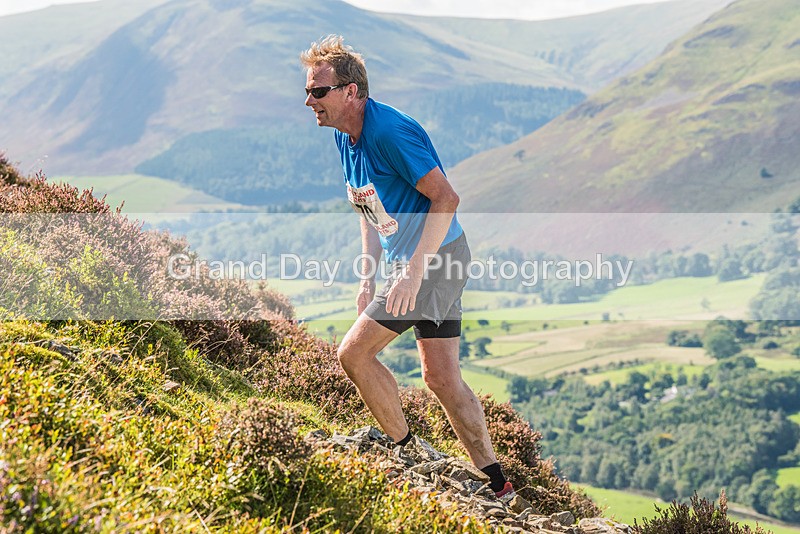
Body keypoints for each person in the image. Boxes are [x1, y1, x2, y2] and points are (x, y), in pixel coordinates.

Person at [300, 35, 513, 498]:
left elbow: (447, 198)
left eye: (318, 91)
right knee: (441, 378)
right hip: (426, 259)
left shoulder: (388, 133)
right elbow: (368, 205)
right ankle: (498, 484)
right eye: (307, 91)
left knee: (353, 354)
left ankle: (406, 453)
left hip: (435, 261)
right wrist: (367, 275)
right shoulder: (344, 135)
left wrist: (413, 273)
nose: (309, 101)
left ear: (350, 91)